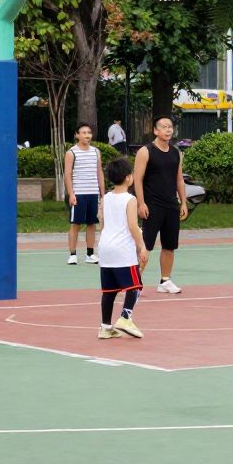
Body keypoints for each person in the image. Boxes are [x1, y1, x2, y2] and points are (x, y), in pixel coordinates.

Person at [132, 115, 188, 294]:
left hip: (171, 205)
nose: (168, 129)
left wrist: (183, 202)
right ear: (156, 130)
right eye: (164, 127)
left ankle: (165, 280)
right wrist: (141, 203)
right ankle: (135, 281)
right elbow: (137, 180)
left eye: (170, 127)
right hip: (152, 205)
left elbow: (179, 179)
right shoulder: (145, 151)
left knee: (169, 245)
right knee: (145, 245)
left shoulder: (176, 152)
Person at [97, 158, 148, 339]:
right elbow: (133, 226)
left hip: (105, 248)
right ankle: (126, 317)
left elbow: (102, 223)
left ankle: (105, 327)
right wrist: (141, 246)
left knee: (109, 291)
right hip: (122, 249)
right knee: (135, 285)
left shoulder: (106, 198)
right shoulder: (130, 199)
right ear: (128, 178)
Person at [63, 123, 105, 265]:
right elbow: (67, 175)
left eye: (89, 132)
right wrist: (71, 194)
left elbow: (99, 173)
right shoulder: (71, 152)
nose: (87, 135)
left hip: (93, 193)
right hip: (78, 194)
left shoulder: (96, 152)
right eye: (84, 132)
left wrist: (102, 194)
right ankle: (73, 254)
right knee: (76, 224)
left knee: (92, 223)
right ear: (77, 135)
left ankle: (90, 254)